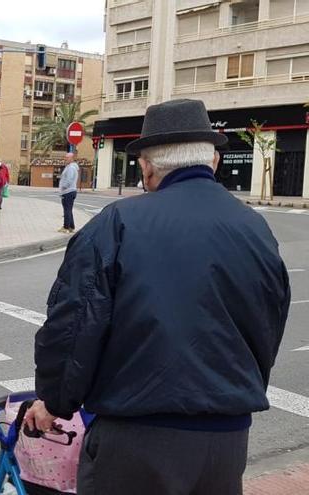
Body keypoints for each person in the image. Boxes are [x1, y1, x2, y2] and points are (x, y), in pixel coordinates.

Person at [24, 99, 291, 495]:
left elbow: (74, 323)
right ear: (213, 162)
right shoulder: (254, 228)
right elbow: (270, 321)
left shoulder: (118, 223)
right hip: (226, 439)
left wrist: (55, 400)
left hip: (137, 440)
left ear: (147, 167)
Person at [58, 152, 79, 234]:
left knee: (67, 210)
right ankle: (71, 226)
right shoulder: (71, 167)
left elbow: (69, 180)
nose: (65, 159)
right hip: (70, 191)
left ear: (72, 158)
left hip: (68, 191)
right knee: (69, 210)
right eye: (65, 157)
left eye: (67, 157)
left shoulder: (71, 168)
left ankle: (66, 227)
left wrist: (63, 187)